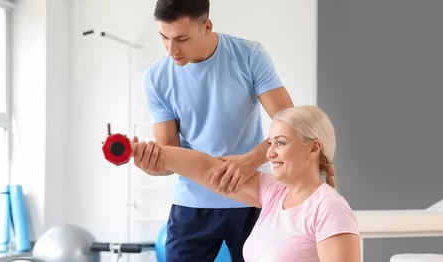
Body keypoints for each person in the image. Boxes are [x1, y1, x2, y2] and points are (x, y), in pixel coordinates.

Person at [137, 0, 294, 261]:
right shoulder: (156, 78)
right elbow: (170, 155)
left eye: (182, 39)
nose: (171, 50)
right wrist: (152, 164)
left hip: (252, 198)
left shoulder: (249, 55)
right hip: (192, 204)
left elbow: (291, 125)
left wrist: (249, 161)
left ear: (207, 26)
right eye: (164, 37)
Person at [131, 105, 361, 261]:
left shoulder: (329, 208)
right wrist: (144, 152)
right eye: (270, 144)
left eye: (280, 143)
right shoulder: (274, 193)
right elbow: (206, 168)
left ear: (313, 147)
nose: (270, 154)